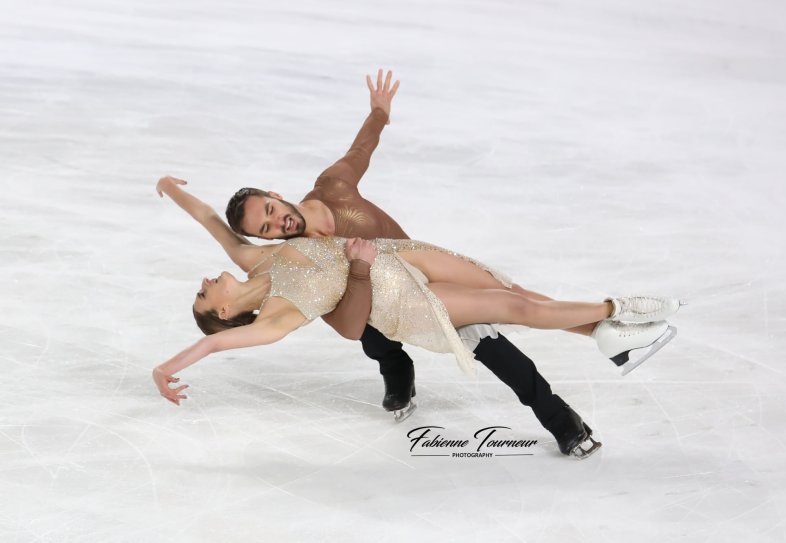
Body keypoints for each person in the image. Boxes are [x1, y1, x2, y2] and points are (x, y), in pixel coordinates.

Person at [152, 179, 679, 458]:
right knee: (498, 322)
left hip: (400, 254)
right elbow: (219, 346)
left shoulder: (257, 254)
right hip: (392, 302)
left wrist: (168, 187)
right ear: (222, 312)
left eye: (269, 216)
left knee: (510, 291)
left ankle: (611, 336)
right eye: (202, 295)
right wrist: (167, 367)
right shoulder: (272, 318)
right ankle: (615, 316)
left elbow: (205, 219)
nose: (203, 280)